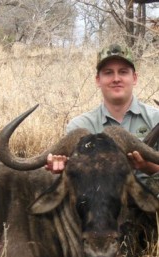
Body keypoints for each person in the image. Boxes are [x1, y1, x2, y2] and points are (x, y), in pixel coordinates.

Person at [46, 44, 159, 178]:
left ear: (134, 78)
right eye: (108, 72)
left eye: (123, 72)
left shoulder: (155, 118)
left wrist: (150, 167)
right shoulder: (79, 126)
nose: (116, 79)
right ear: (98, 80)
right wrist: (62, 167)